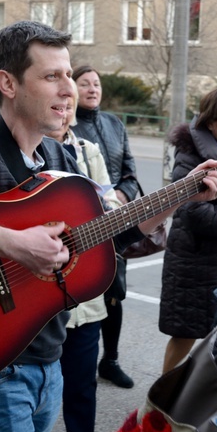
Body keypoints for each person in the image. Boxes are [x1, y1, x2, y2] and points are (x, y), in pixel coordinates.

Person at [0, 20, 217, 432]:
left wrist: (181, 196)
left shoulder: (57, 155)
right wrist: (15, 244)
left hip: (49, 359)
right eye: (52, 77)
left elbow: (107, 234)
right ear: (7, 83)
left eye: (69, 75)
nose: (70, 90)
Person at [159, 87, 217, 374]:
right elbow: (196, 213)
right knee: (186, 334)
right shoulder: (189, 155)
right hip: (194, 262)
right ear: (210, 121)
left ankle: (202, 398)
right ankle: (161, 397)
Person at [47, 84, 119, 432]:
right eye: (60, 103)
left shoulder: (87, 150)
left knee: (81, 387)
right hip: (40, 295)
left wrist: (105, 212)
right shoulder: (26, 150)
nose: (65, 108)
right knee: (39, 390)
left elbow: (113, 204)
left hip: (84, 295)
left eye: (69, 103)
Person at [71, 64, 140, 389]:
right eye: (84, 83)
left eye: (96, 83)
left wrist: (122, 198)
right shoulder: (67, 129)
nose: (92, 89)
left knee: (115, 292)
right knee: (86, 291)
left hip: (116, 217)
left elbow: (129, 167)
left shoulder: (114, 123)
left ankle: (109, 360)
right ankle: (74, 358)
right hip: (84, 224)